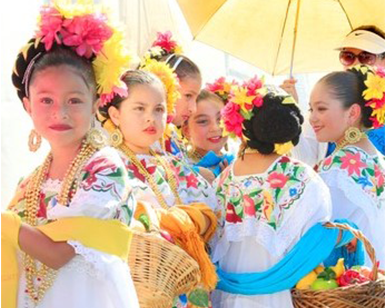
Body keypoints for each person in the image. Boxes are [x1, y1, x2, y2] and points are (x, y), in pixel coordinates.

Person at [5, 3, 139, 308]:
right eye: (46, 100)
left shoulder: (106, 167)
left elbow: (57, 253)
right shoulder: (30, 182)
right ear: (28, 106)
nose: (60, 112)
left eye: (74, 100)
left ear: (95, 103)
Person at [98, 69, 219, 308]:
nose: (150, 118)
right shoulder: (106, 166)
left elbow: (212, 211)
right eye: (139, 108)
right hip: (135, 287)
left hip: (186, 284)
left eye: (158, 109)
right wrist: (174, 220)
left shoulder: (175, 165)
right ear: (115, 114)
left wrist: (190, 220)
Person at [211, 77, 332, 308]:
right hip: (279, 296)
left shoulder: (222, 181)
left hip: (226, 295)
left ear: (241, 127)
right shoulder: (303, 178)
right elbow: (316, 238)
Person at [309, 65, 385, 266]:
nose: (312, 118)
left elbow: (318, 234)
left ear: (352, 113)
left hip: (350, 286)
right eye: (311, 109)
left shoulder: (336, 167)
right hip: (375, 280)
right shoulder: (375, 156)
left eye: (321, 108)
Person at [281, 25, 385, 160]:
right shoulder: (328, 102)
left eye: (366, 57)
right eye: (348, 57)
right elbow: (307, 160)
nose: (356, 63)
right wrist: (292, 111)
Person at [182, 78, 236, 180]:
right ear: (187, 131)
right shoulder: (181, 168)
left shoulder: (238, 164)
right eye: (203, 121)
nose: (215, 128)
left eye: (220, 119)